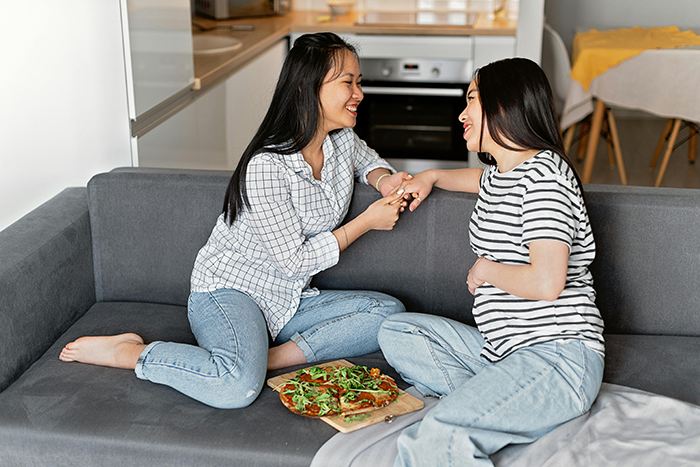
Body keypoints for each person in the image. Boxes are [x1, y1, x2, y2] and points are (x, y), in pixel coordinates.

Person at [59, 32, 409, 409]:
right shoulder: (267, 166)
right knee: (235, 387)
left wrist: (383, 178)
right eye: (347, 83)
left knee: (387, 314)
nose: (359, 93)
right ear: (309, 88)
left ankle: (266, 359)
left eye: (359, 82)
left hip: (287, 300)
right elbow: (293, 262)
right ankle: (131, 353)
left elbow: (369, 161)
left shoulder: (340, 141)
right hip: (229, 292)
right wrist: (366, 222)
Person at [378, 57, 605, 466]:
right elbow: (474, 179)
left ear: (503, 106)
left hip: (556, 356)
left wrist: (486, 271)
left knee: (437, 440)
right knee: (398, 330)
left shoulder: (544, 180)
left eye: (471, 99)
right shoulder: (506, 173)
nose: (462, 113)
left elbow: (547, 283)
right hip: (502, 352)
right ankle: (507, 403)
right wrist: (430, 176)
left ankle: (498, 407)